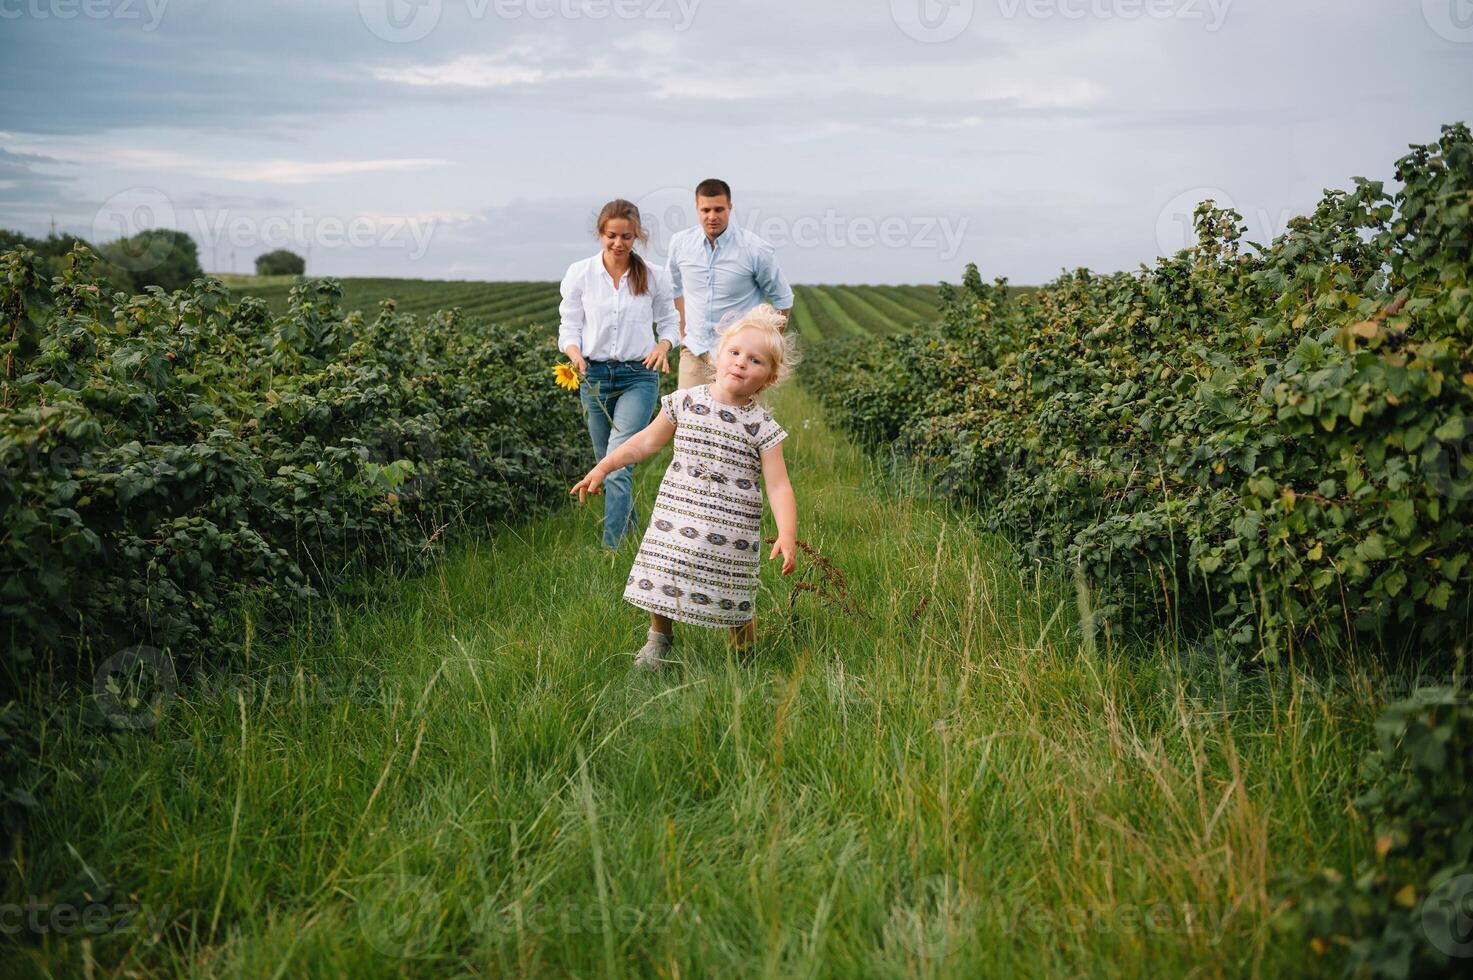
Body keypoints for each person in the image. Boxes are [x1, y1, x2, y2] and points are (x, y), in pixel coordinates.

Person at [570, 304, 800, 667]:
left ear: (769, 377)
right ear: (717, 355)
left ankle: (743, 652)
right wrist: (605, 465)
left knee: (733, 587)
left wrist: (787, 534)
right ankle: (659, 638)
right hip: (678, 511)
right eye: (735, 353)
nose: (741, 362)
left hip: (732, 526)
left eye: (755, 360)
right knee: (665, 570)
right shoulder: (685, 402)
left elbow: (778, 486)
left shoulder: (762, 428)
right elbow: (646, 442)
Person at [558, 199, 681, 550]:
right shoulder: (580, 273)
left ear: (637, 236)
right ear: (601, 234)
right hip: (593, 375)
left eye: (626, 236)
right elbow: (569, 325)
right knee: (607, 462)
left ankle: (611, 550)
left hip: (638, 376)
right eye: (612, 236)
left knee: (617, 465)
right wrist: (573, 353)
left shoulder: (655, 275)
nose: (618, 243)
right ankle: (631, 540)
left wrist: (664, 345)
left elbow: (670, 321)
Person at [667, 178, 794, 390]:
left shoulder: (755, 249)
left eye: (719, 209)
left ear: (730, 208)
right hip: (695, 350)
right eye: (705, 210)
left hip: (741, 358)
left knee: (739, 422)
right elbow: (674, 289)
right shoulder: (680, 244)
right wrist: (682, 334)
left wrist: (769, 348)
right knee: (689, 419)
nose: (712, 216)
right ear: (697, 209)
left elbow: (783, 298)